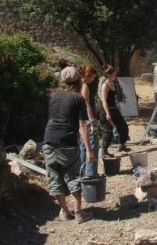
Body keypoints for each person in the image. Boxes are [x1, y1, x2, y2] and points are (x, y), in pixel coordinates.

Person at [42, 66, 96, 223]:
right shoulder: (78, 98)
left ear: (63, 81)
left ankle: (64, 211)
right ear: (79, 80)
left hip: (48, 140)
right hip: (67, 142)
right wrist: (89, 149)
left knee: (54, 177)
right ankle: (79, 213)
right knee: (72, 175)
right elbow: (82, 125)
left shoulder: (53, 97)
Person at [100, 65, 130, 157]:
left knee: (123, 127)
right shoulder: (105, 85)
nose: (115, 76)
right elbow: (104, 100)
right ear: (108, 75)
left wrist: (122, 97)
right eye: (113, 74)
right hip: (107, 110)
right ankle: (104, 151)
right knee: (108, 131)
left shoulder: (113, 83)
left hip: (114, 109)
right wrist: (107, 113)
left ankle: (122, 145)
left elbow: (119, 91)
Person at [78, 65, 99, 179]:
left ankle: (83, 171)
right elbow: (87, 104)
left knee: (83, 145)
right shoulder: (85, 86)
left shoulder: (78, 85)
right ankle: (90, 173)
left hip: (81, 119)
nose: (93, 80)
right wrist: (92, 122)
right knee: (92, 145)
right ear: (87, 75)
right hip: (87, 119)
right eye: (92, 77)